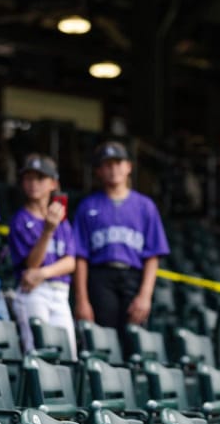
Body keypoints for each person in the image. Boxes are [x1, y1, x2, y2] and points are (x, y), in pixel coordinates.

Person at [72, 141, 169, 330]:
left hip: (133, 277)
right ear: (99, 171)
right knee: (104, 342)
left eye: (118, 163)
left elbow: (152, 256)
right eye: (107, 164)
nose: (113, 169)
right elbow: (80, 257)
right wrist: (82, 300)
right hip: (100, 277)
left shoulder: (145, 206)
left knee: (134, 342)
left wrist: (145, 296)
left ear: (128, 167)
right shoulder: (88, 206)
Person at [8, 154, 77, 356]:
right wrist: (47, 231)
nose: (33, 184)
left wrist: (43, 273)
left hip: (60, 292)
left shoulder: (61, 218)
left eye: (40, 178)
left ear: (53, 183)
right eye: (28, 178)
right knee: (39, 354)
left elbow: (71, 262)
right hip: (34, 293)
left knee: (68, 356)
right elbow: (31, 265)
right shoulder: (20, 219)